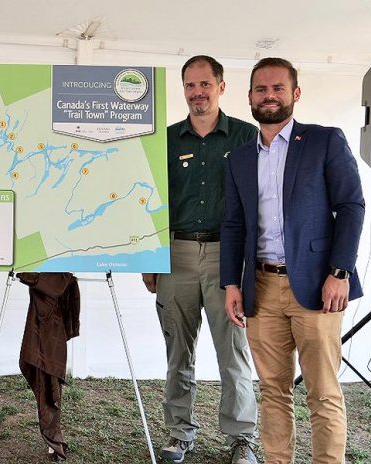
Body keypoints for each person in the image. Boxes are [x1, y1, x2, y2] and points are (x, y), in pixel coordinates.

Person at [221, 57, 365, 464]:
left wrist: (340, 271)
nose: (269, 96)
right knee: (272, 390)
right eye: (261, 90)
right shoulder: (238, 159)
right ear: (249, 96)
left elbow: (351, 206)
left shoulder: (324, 141)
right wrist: (232, 283)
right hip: (261, 289)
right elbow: (233, 225)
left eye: (277, 88)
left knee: (322, 391)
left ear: (295, 94)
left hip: (318, 286)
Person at [142, 55, 259, 464]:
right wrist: (150, 258)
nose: (197, 93)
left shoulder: (247, 136)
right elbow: (153, 201)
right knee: (178, 351)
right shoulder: (167, 139)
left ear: (221, 86)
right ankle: (179, 432)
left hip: (229, 258)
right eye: (190, 86)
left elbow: (260, 201)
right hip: (176, 253)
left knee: (234, 351)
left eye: (205, 84)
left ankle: (242, 438)